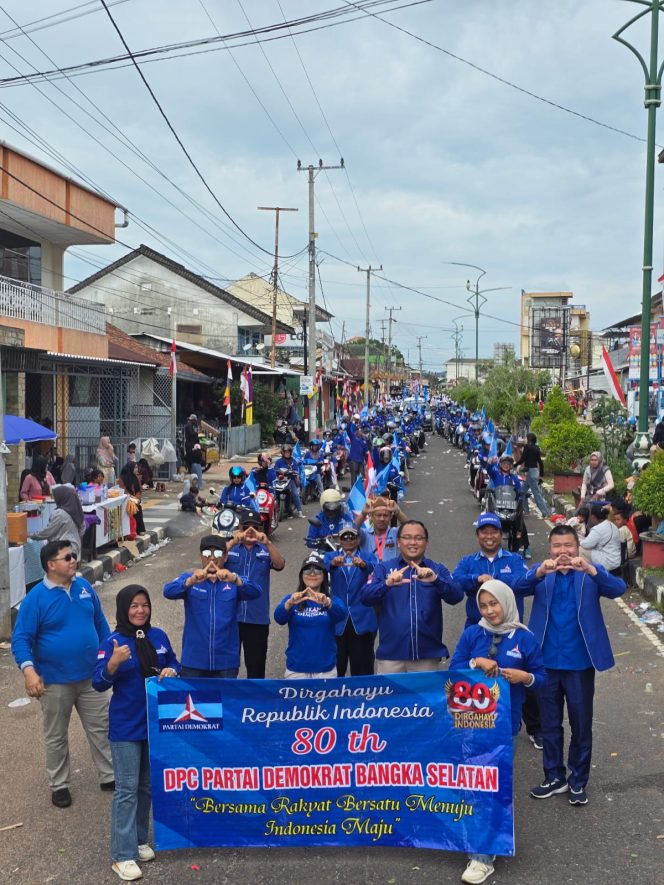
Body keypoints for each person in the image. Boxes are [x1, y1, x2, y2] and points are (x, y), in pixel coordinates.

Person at [513, 525, 626, 805]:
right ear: (549, 549)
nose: (563, 552)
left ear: (577, 547)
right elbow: (516, 586)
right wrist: (538, 571)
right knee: (549, 725)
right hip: (545, 664)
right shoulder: (542, 574)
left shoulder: (589, 574)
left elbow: (619, 589)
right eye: (557, 546)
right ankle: (554, 776)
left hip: (580, 665)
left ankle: (578, 780)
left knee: (581, 725)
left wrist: (591, 570)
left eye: (568, 546)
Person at [450, 580, 547, 885]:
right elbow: (453, 670)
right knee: (472, 785)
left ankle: (482, 857)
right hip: (469, 724)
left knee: (491, 787)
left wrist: (526, 677)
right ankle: (477, 842)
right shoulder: (472, 633)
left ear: (507, 601)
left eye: (495, 603)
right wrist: (474, 661)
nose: (490, 611)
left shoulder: (525, 639)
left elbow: (543, 679)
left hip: (504, 725)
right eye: (484, 605)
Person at [11, 540, 115, 807]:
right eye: (67, 557)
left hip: (91, 677)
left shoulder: (83, 587)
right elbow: (21, 639)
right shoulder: (35, 598)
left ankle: (109, 775)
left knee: (102, 727)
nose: (73, 560)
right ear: (51, 564)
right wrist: (29, 672)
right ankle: (59, 785)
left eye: (74, 556)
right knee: (56, 735)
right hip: (55, 681)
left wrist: (109, 654)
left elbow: (100, 623)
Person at [93, 585, 180, 882]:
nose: (140, 610)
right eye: (133, 606)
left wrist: (172, 671)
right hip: (126, 726)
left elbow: (173, 663)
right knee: (127, 790)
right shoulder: (112, 642)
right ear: (123, 609)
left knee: (146, 787)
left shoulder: (158, 637)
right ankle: (122, 854)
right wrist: (113, 664)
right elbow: (99, 683)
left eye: (144, 604)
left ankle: (140, 839)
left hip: (154, 724)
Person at [360, 520, 463, 673]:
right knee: (392, 697)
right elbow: (365, 597)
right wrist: (386, 584)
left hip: (427, 655)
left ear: (426, 542)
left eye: (418, 538)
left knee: (425, 697)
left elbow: (457, 595)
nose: (413, 542)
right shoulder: (384, 568)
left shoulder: (436, 569)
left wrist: (436, 580)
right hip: (391, 656)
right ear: (398, 542)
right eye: (407, 537)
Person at [163, 535, 261, 678]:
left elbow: (256, 591)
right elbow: (167, 591)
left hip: (226, 662)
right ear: (201, 557)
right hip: (194, 661)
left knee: (225, 700)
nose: (212, 558)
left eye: (218, 553)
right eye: (207, 553)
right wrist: (191, 581)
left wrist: (235, 579)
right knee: (194, 700)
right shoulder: (190, 578)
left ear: (226, 557)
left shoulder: (233, 580)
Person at [226, 510, 285, 678]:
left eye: (255, 527)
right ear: (239, 527)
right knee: (228, 666)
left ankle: (255, 702)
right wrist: (232, 541)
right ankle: (230, 701)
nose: (250, 531)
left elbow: (280, 564)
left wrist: (268, 543)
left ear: (261, 529)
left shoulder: (265, 549)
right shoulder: (230, 548)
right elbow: (214, 561)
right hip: (231, 617)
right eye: (246, 527)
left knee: (256, 666)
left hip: (257, 618)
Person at [274, 553, 347, 678]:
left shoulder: (332, 600)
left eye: (318, 570)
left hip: (325, 669)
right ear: (301, 576)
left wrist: (327, 603)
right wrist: (289, 603)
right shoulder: (292, 599)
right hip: (297, 669)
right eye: (307, 570)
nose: (312, 573)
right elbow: (279, 618)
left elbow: (342, 615)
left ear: (324, 576)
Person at [452, 512, 529, 628]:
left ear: (501, 534)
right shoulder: (467, 561)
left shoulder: (515, 559)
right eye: (484, 532)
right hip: (477, 628)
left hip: (511, 629)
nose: (489, 536)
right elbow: (455, 580)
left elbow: (523, 580)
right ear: (477, 536)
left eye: (493, 532)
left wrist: (494, 580)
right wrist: (476, 579)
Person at [323, 525, 376, 676]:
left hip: (362, 617)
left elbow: (376, 569)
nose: (348, 540)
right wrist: (332, 564)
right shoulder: (330, 556)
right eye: (344, 537)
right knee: (335, 667)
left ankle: (363, 697)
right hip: (338, 618)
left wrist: (364, 565)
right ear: (339, 540)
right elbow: (321, 569)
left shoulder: (367, 556)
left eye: (352, 537)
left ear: (358, 539)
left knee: (362, 668)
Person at [30, 485, 86, 559]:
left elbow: (49, 532)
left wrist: (31, 536)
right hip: (75, 546)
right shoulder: (76, 510)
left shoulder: (60, 513)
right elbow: (82, 530)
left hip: (63, 550)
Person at [514, 432, 552, 518]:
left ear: (529, 439)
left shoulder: (527, 447)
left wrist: (515, 465)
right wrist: (541, 474)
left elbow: (523, 459)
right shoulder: (536, 448)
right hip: (534, 472)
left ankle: (546, 513)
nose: (525, 439)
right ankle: (526, 510)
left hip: (531, 473)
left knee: (536, 494)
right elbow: (540, 461)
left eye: (526, 438)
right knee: (522, 491)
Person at [357, 496, 406, 563]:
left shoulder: (394, 532)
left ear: (391, 517)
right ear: (371, 516)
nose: (382, 519)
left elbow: (410, 528)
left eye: (385, 515)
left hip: (390, 572)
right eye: (378, 515)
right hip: (369, 572)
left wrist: (398, 512)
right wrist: (363, 514)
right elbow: (352, 530)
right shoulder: (365, 534)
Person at [580, 504, 621, 571]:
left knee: (580, 549)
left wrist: (579, 540)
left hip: (608, 562)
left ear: (593, 517)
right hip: (616, 560)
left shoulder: (597, 529)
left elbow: (586, 545)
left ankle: (587, 574)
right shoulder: (612, 525)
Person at [274, 443, 305, 518]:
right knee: (274, 494)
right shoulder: (278, 461)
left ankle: (300, 511)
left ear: (290, 453)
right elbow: (275, 468)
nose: (287, 454)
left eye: (288, 452)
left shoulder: (293, 461)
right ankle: (273, 510)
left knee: (295, 494)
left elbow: (296, 469)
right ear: (283, 453)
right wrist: (278, 471)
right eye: (285, 452)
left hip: (290, 479)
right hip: (280, 480)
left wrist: (293, 472)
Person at [119, 462, 146, 535]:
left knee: (137, 507)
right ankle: (136, 530)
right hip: (125, 499)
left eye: (137, 467)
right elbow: (122, 491)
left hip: (133, 499)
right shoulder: (122, 478)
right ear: (131, 468)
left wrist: (136, 498)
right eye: (135, 468)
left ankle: (139, 529)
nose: (137, 469)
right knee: (135, 507)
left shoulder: (136, 477)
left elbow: (138, 491)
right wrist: (131, 498)